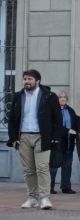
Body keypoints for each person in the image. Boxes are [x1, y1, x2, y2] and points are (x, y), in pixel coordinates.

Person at [7, 69, 61, 210]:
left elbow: (57, 120)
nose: (27, 82)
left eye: (30, 79)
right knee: (28, 170)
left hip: (42, 137)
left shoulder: (49, 96)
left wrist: (55, 138)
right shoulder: (18, 96)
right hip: (23, 136)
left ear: (37, 81)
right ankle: (32, 197)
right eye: (25, 79)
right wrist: (13, 137)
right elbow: (12, 119)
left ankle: (44, 198)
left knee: (42, 168)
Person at [53, 92, 80, 195]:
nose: (62, 99)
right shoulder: (53, 110)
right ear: (57, 99)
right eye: (60, 97)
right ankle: (49, 187)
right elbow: (54, 125)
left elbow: (76, 122)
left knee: (67, 165)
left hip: (69, 141)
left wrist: (77, 131)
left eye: (64, 97)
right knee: (53, 165)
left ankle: (66, 187)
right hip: (57, 141)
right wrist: (67, 130)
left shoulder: (70, 110)